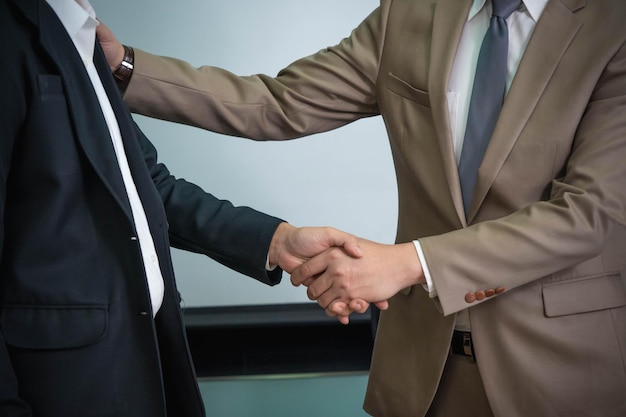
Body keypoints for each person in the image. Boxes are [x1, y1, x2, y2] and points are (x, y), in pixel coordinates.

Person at [97, 0, 626, 416]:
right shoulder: (411, 11)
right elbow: (279, 103)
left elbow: (589, 213)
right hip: (424, 375)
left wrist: (406, 262)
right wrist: (123, 68)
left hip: (562, 370)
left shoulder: (613, 23)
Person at [0, 0, 368, 416]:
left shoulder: (82, 36)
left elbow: (148, 186)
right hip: (63, 383)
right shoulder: (14, 28)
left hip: (146, 356)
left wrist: (277, 240)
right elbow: (278, 101)